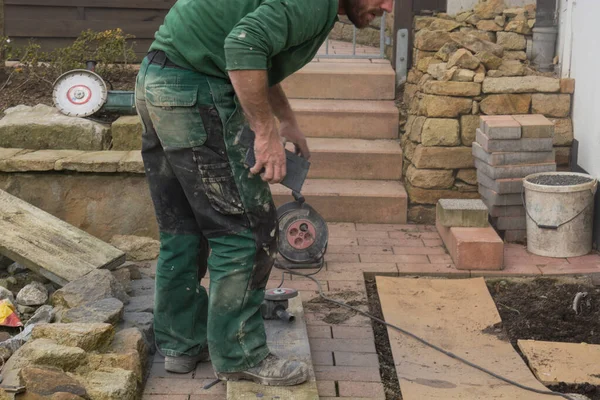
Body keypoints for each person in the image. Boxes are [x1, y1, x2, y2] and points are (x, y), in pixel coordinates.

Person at [135, 0, 393, 387]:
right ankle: (240, 355)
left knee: (183, 226)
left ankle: (180, 342)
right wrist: (264, 132)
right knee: (246, 232)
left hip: (156, 82)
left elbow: (259, 57)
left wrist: (286, 120)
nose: (388, 5)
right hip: (193, 93)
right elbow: (243, 47)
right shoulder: (314, 4)